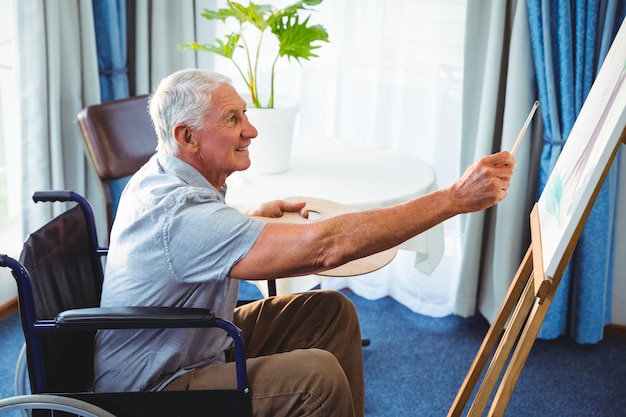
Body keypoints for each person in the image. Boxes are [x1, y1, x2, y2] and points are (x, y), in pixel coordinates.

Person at [93, 68, 515, 417]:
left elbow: (184, 247)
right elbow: (325, 247)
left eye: (245, 115)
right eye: (232, 119)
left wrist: (245, 222)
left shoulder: (164, 173)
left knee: (329, 312)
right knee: (317, 378)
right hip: (153, 388)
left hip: (191, 340)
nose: (251, 129)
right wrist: (454, 199)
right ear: (187, 137)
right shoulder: (179, 215)